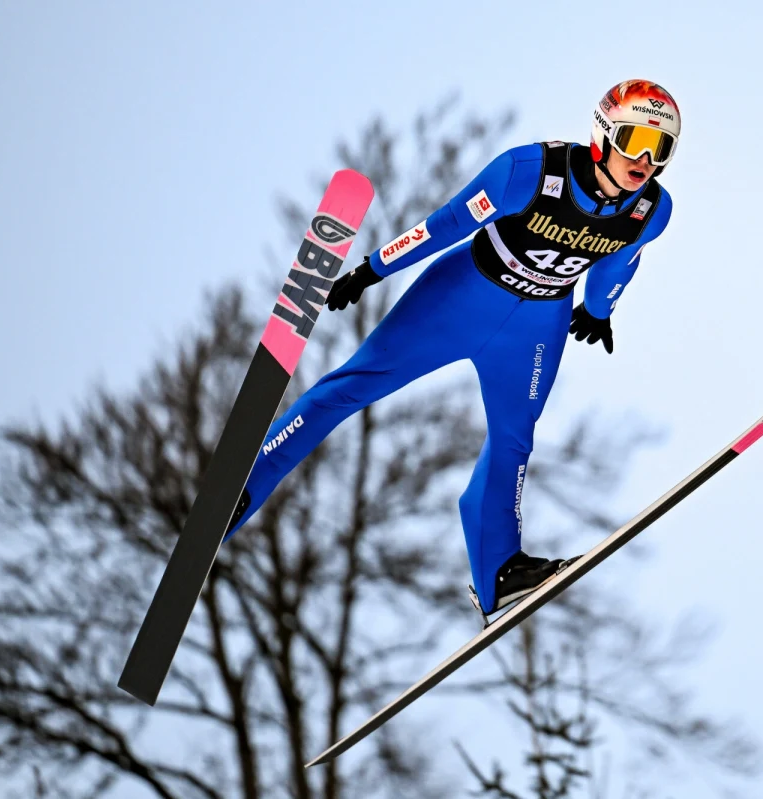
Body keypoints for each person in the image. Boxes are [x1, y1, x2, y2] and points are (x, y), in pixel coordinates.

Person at [225, 79, 680, 616]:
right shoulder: (530, 171)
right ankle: (241, 490)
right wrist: (373, 268)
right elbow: (446, 224)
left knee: (513, 441)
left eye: (662, 148)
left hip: (537, 326)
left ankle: (500, 575)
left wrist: (600, 311)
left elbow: (621, 257)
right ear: (604, 135)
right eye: (635, 140)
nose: (646, 159)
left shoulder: (652, 209)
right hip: (463, 296)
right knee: (352, 386)